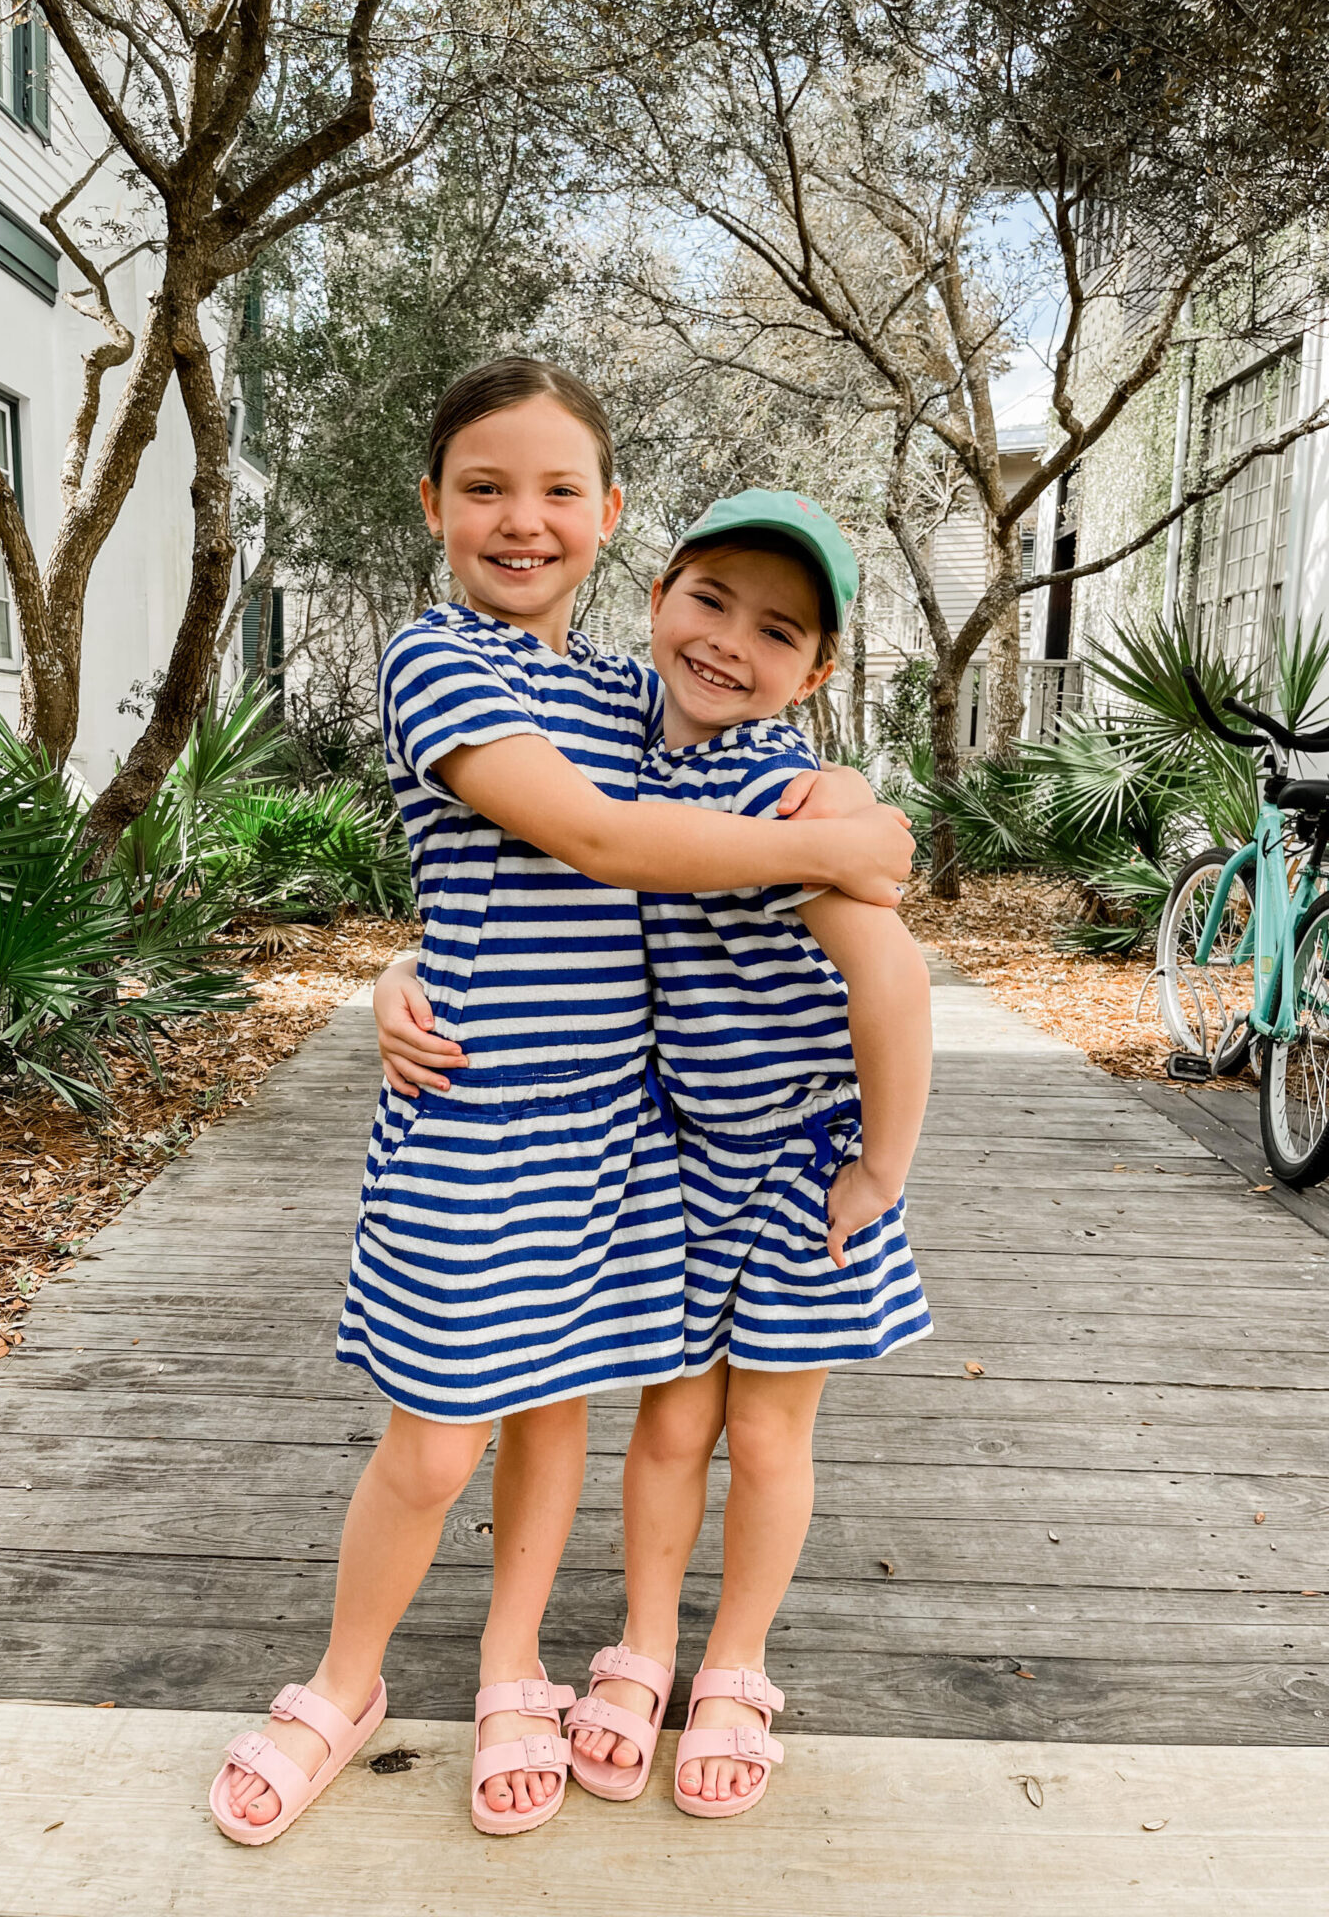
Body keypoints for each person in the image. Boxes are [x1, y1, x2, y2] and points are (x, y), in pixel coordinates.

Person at [209, 365, 915, 1845]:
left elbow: (797, 792)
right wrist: (840, 851)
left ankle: (512, 1665)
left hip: (624, 1125)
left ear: (610, 519)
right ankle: (344, 1684)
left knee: (555, 1409)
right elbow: (595, 837)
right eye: (483, 487)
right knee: (436, 1434)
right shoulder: (436, 660)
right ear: (433, 506)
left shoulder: (624, 685)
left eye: (555, 492)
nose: (519, 521)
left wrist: (866, 826)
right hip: (477, 1118)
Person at [560, 491, 934, 1819]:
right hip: (671, 1151)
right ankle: (643, 1648)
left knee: (767, 1431)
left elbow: (889, 978)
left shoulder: (782, 796)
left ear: (816, 673)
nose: (729, 641)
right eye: (709, 600)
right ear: (657, 592)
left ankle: (734, 1664)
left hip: (793, 1164)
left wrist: (881, 1165)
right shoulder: (610, 747)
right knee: (670, 1419)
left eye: (777, 630)